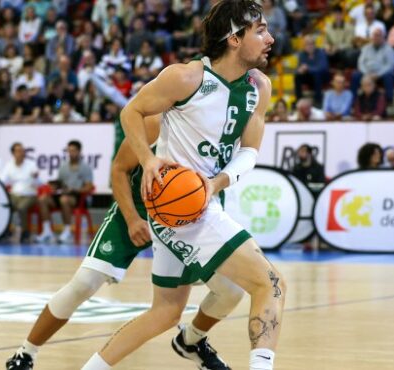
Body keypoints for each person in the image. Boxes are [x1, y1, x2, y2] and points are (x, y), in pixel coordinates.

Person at [82, 1, 287, 369]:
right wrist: (147, 158)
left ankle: (183, 344)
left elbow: (250, 153)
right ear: (234, 39)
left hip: (197, 200)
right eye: (260, 31)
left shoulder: (260, 87)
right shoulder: (187, 78)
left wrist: (216, 182)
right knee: (269, 285)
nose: (270, 38)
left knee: (165, 312)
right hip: (183, 207)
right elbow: (131, 111)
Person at [6, 116, 243, 370]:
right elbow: (119, 169)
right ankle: (26, 353)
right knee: (84, 283)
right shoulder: (155, 123)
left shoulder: (221, 130)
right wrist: (131, 219)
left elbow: (217, 185)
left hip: (184, 220)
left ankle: (192, 341)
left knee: (231, 289)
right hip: (135, 210)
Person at [35, 140, 94, 244]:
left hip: (78, 197)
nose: (71, 153)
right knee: (42, 198)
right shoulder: (63, 166)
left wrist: (75, 189)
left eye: (74, 150)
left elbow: (89, 187)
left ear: (79, 151)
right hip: (62, 194)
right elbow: (60, 183)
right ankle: (47, 231)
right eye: (69, 151)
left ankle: (67, 231)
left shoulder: (85, 167)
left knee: (64, 200)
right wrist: (54, 186)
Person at [0, 142, 39, 244]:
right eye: (18, 151)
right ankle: (6, 230)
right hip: (14, 194)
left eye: (23, 151)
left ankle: (25, 232)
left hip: (29, 194)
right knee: (6, 206)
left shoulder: (31, 165)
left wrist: (36, 177)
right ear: (13, 153)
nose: (21, 153)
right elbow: (3, 181)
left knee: (22, 207)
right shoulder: (9, 165)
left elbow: (40, 182)